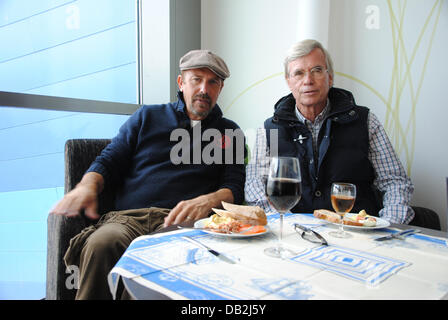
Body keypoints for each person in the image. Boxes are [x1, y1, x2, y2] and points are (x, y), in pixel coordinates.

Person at [50, 49, 246, 299]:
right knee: (102, 243)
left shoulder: (230, 132)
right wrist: (87, 185)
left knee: (171, 266)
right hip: (128, 220)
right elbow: (109, 160)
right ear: (181, 82)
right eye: (196, 79)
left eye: (213, 82)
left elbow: (235, 187)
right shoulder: (147, 116)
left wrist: (209, 199)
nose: (204, 89)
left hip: (184, 226)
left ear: (220, 88)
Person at [245, 39, 427, 226]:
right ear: (289, 82)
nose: (308, 80)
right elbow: (255, 186)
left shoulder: (365, 121)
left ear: (330, 77)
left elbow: (395, 182)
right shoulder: (269, 130)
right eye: (298, 73)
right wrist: (288, 224)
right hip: (296, 234)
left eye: (316, 70)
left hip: (357, 234)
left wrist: (387, 225)